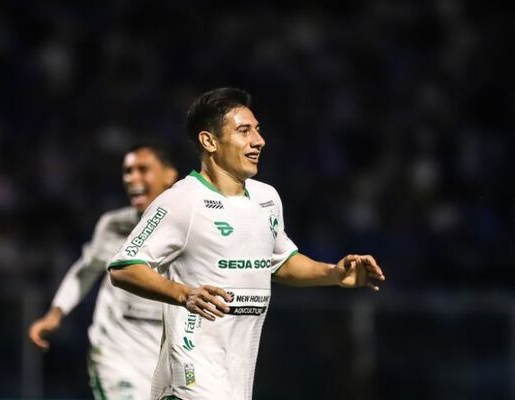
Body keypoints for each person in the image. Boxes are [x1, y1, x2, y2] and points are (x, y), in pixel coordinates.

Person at [107, 88, 386, 400]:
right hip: (190, 384)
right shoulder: (181, 202)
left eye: (257, 130)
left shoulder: (267, 198)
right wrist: (183, 293)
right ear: (209, 141)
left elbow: (280, 261)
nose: (258, 140)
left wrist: (333, 273)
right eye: (244, 131)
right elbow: (123, 267)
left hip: (234, 383)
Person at [29, 144, 178, 400]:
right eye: (128, 171)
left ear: (169, 175)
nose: (133, 178)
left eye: (143, 169)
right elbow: (85, 271)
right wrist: (55, 314)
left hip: (166, 360)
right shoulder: (114, 225)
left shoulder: (188, 229)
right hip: (116, 357)